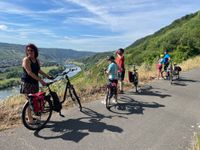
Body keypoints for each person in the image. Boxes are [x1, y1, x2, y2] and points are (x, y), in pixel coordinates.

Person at [20, 43, 53, 124]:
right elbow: (29, 72)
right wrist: (41, 80)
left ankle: (30, 117)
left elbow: (38, 70)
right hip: (27, 83)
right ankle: (30, 120)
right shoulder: (26, 60)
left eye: (31, 50)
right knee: (29, 101)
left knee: (33, 100)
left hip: (34, 83)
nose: (29, 52)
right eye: (28, 50)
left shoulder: (36, 60)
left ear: (35, 51)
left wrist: (47, 76)